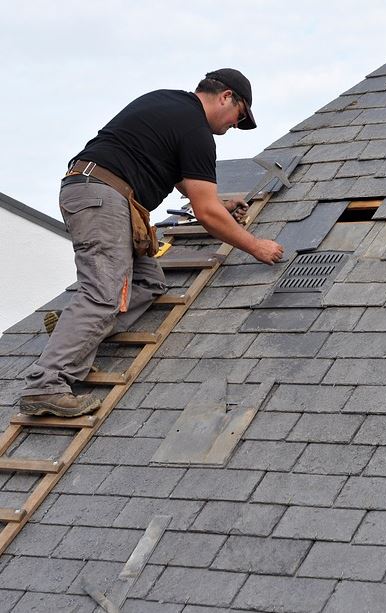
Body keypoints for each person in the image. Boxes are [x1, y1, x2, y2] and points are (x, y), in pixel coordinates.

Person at [20, 68, 284, 418]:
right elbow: (205, 213)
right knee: (105, 293)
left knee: (147, 282)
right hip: (104, 197)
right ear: (226, 97)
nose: (236, 125)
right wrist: (255, 246)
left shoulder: (168, 103)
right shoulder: (197, 131)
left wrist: (221, 200)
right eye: (240, 115)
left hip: (93, 191)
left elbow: (185, 183)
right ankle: (47, 384)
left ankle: (72, 331)